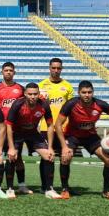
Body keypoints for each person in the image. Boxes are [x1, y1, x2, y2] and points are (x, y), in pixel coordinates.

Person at [51, 81, 109, 201]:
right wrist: (64, 146)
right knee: (65, 157)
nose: (87, 95)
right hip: (72, 136)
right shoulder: (71, 104)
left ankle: (106, 191)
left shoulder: (100, 104)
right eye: (84, 92)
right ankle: (65, 189)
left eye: (89, 92)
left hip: (90, 136)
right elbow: (58, 125)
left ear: (93, 93)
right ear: (79, 93)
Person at [5, 83, 62, 199]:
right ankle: (10, 189)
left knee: (49, 155)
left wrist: (50, 147)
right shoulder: (18, 104)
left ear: (39, 94)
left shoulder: (44, 105)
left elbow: (50, 125)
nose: (32, 96)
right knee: (13, 156)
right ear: (25, 94)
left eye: (35, 94)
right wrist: (11, 147)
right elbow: (9, 126)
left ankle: (48, 189)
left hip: (33, 133)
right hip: (17, 133)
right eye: (30, 94)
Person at [0, 62, 28, 194]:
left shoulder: (21, 89)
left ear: (14, 72)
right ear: (2, 72)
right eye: (6, 70)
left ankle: (22, 185)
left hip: (15, 128)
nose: (8, 72)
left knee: (17, 157)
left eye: (11, 70)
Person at [38, 58, 74, 191]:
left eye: (58, 68)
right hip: (45, 127)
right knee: (47, 157)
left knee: (65, 156)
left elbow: (72, 107)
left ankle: (65, 187)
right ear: (49, 68)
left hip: (64, 128)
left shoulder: (68, 86)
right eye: (53, 68)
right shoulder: (41, 86)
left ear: (62, 69)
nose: (56, 70)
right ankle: (46, 186)